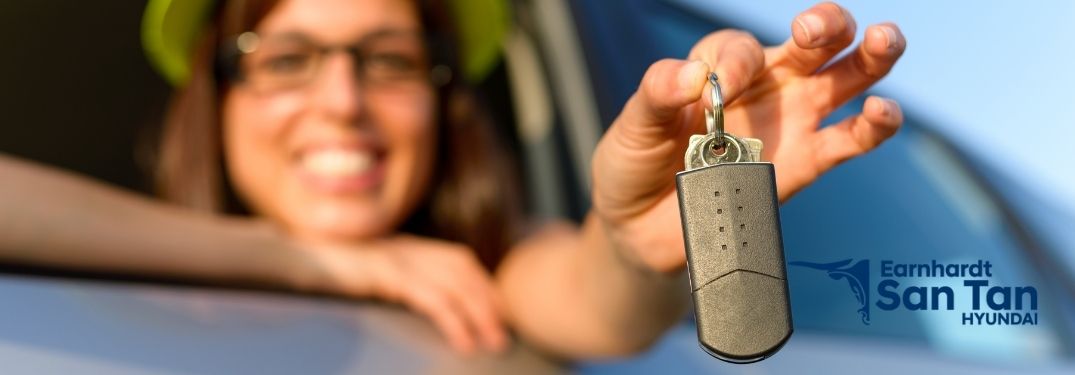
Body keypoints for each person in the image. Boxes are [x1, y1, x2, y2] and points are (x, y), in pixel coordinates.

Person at [0, 0, 905, 359]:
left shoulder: (481, 273)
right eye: (286, 59)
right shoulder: (116, 262)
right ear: (218, 98)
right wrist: (298, 255)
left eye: (391, 61)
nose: (344, 100)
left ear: (444, 105)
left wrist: (636, 243)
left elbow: (594, 300)